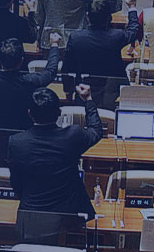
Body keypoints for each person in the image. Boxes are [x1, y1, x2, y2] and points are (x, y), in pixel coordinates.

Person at [8, 85, 104, 245]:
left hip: (31, 216)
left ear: (30, 113)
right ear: (59, 113)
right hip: (68, 218)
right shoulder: (72, 135)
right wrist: (88, 100)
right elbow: (96, 130)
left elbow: (16, 182)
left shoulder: (16, 142)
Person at [0, 35, 61, 165]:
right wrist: (54, 45)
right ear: (21, 60)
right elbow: (51, 71)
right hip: (26, 142)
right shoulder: (32, 81)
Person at [64, 0, 140, 109]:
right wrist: (132, 8)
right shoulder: (116, 36)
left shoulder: (76, 38)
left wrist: (68, 91)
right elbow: (133, 30)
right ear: (109, 17)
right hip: (111, 95)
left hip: (83, 92)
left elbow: (67, 68)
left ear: (87, 16)